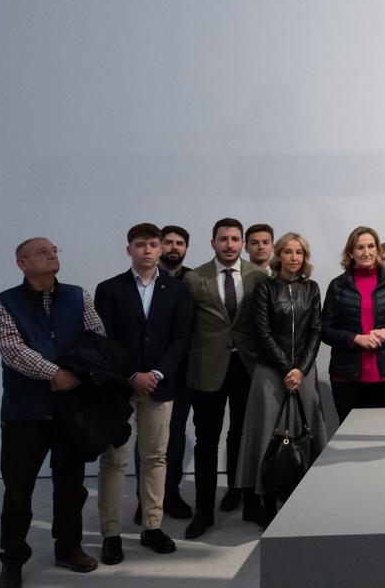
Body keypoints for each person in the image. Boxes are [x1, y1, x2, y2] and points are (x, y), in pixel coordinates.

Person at [0, 238, 105, 588]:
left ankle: (68, 548)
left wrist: (75, 373)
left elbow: (96, 338)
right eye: (42, 251)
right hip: (25, 412)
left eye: (55, 249)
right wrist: (55, 373)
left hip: (71, 409)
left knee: (71, 486)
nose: (52, 253)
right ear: (22, 263)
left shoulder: (78, 295)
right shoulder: (4, 302)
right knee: (18, 491)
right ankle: (12, 559)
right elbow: (12, 350)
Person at [94, 223, 191, 564]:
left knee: (155, 458)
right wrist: (131, 375)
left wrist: (157, 373)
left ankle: (152, 526)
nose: (148, 250)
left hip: (160, 386)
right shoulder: (109, 289)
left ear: (161, 248)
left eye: (154, 244)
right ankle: (111, 533)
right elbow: (104, 341)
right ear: (128, 250)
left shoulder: (177, 290)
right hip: (120, 389)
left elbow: (181, 338)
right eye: (140, 245)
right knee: (115, 461)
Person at [183, 218, 269, 538]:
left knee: (245, 437)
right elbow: (186, 327)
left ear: (243, 242)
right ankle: (204, 509)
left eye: (235, 239)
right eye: (223, 239)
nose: (229, 244)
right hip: (207, 370)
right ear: (213, 242)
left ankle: (249, 501)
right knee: (207, 441)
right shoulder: (195, 278)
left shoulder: (259, 276)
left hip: (247, 368)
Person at [236, 232, 329, 525]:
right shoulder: (265, 288)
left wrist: (300, 368)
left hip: (303, 373)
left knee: (305, 432)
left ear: (305, 257)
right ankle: (266, 500)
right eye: (288, 252)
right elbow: (261, 333)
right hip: (270, 374)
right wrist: (285, 368)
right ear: (279, 256)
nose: (293, 257)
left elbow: (316, 331)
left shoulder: (312, 288)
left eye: (299, 252)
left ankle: (300, 496)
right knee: (267, 437)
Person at [322, 226, 385, 424]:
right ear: (350, 252)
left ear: (377, 250)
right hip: (347, 378)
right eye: (360, 247)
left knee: (383, 435)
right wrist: (355, 338)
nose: (366, 252)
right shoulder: (337, 285)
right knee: (349, 436)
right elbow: (324, 330)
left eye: (370, 246)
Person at [152, 224, 194, 520]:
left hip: (184, 372)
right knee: (150, 439)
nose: (174, 248)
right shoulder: (143, 280)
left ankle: (171, 492)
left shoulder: (194, 280)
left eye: (180, 243)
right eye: (168, 242)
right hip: (149, 373)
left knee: (176, 434)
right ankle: (148, 497)